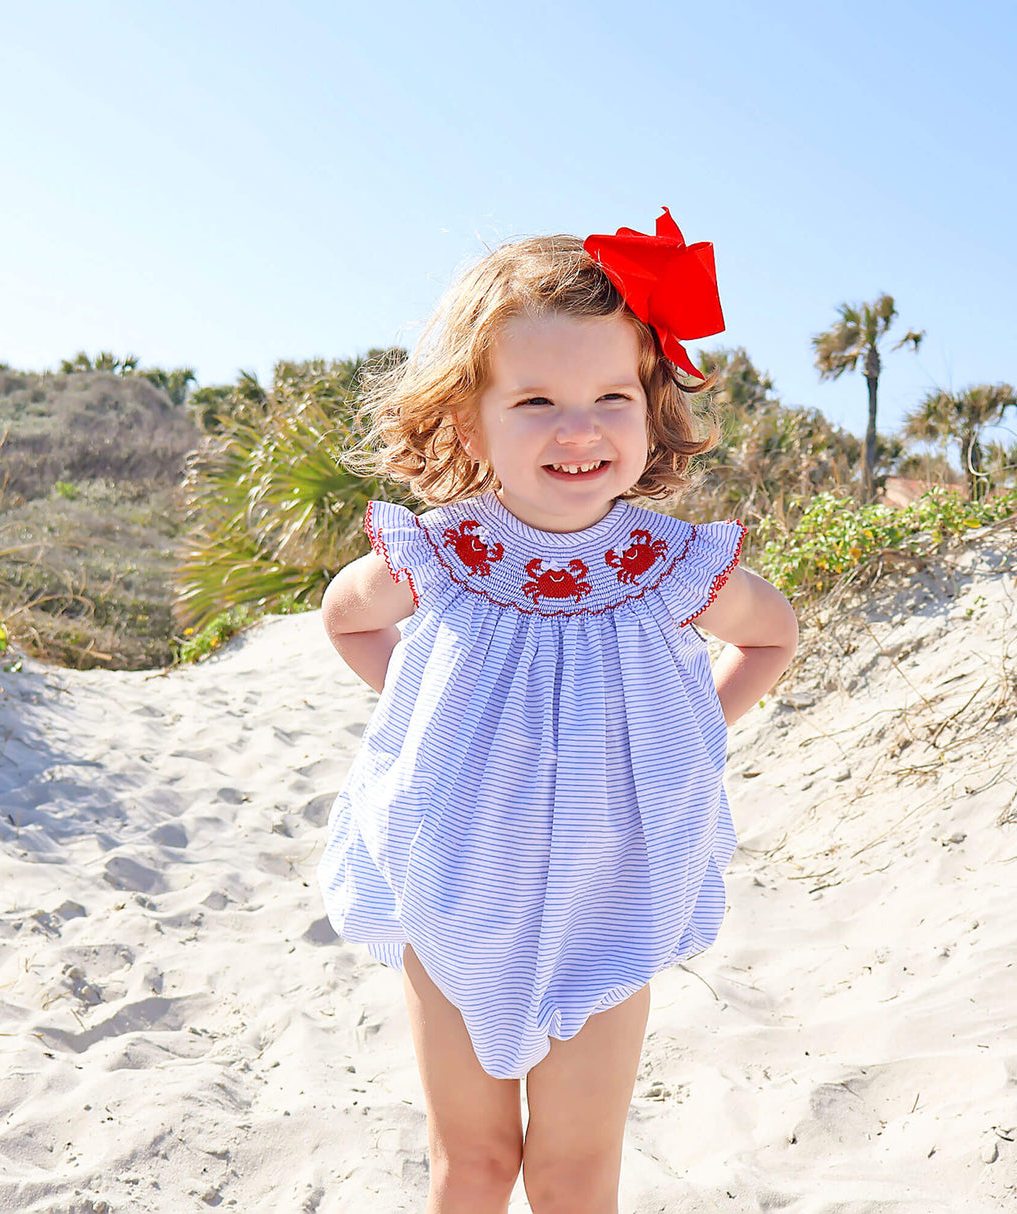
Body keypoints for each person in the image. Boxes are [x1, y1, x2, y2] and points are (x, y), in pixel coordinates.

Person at [318, 209, 798, 1214]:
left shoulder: (665, 562)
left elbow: (770, 637)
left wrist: (686, 733)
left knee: (576, 1175)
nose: (577, 427)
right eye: (534, 398)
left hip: (607, 889)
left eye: (609, 396)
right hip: (452, 876)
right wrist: (424, 713)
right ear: (465, 418)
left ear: (649, 404)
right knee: (474, 1161)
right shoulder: (444, 553)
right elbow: (345, 619)